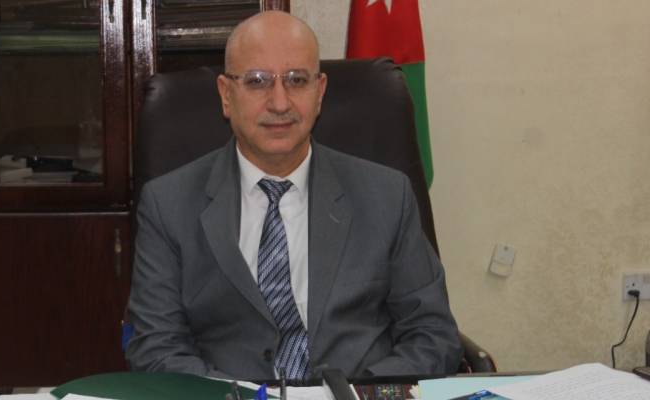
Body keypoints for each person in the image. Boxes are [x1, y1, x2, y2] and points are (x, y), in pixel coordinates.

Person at [126, 11, 462, 381]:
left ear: (319, 93)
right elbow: (156, 345)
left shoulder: (387, 196)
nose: (280, 103)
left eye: (296, 80)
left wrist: (358, 393)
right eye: (257, 81)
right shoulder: (168, 204)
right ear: (226, 95)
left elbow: (432, 334)